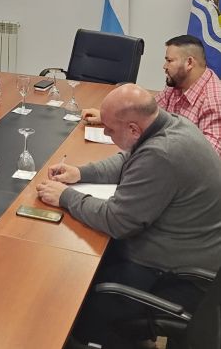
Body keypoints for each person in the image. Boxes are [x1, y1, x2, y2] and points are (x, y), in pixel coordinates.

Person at [37, 84, 221, 348]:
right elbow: (129, 159)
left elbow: (117, 221)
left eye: (110, 131)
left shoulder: (162, 154)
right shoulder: (173, 125)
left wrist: (66, 197)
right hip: (186, 253)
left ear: (134, 129)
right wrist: (81, 173)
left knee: (71, 302)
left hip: (175, 273)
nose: (108, 134)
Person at [82, 35, 221, 156]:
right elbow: (146, 113)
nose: (164, 66)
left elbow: (210, 157)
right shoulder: (177, 83)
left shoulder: (214, 100)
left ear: (189, 63)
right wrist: (108, 118)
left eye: (169, 60)